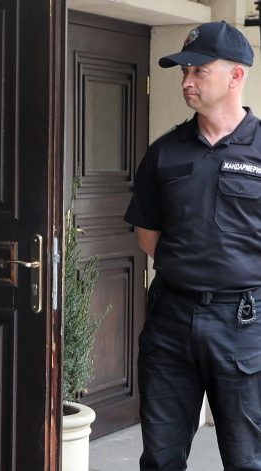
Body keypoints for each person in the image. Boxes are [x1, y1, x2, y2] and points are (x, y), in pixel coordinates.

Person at [125, 21, 261, 470]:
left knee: (247, 459)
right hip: (171, 319)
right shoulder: (165, 151)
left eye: (199, 71)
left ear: (236, 75)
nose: (187, 81)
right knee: (161, 457)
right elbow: (148, 236)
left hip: (245, 322)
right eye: (184, 71)